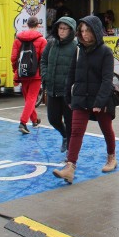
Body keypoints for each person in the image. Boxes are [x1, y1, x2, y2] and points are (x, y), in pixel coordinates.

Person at [53, 15, 118, 184]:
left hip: (100, 99)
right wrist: (68, 94)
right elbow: (71, 74)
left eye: (88, 31)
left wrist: (99, 102)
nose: (85, 34)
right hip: (80, 97)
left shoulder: (105, 52)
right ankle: (70, 167)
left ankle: (111, 157)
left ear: (95, 31)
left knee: (106, 129)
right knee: (75, 132)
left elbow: (107, 80)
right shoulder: (78, 50)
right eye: (82, 31)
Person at [40, 16, 77, 153]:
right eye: (60, 28)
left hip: (68, 93)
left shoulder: (75, 47)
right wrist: (45, 75)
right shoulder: (51, 44)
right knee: (53, 119)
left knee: (70, 122)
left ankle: (70, 153)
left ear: (71, 30)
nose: (61, 31)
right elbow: (43, 60)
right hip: (52, 89)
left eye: (65, 29)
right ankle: (65, 136)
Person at [11, 16, 47, 134]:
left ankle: (35, 120)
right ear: (38, 25)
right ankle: (23, 122)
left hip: (23, 72)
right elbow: (44, 59)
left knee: (28, 99)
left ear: (27, 24)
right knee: (32, 98)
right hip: (36, 74)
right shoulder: (42, 40)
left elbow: (13, 58)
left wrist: (15, 70)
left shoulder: (18, 40)